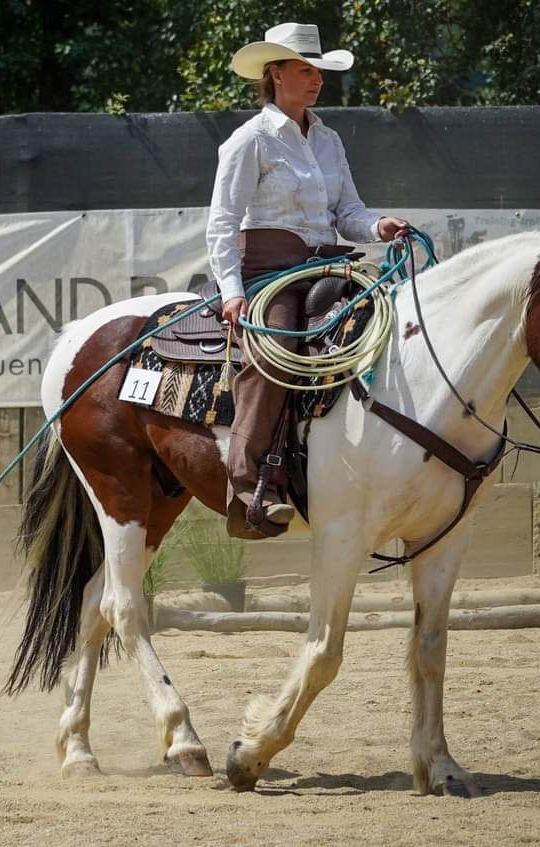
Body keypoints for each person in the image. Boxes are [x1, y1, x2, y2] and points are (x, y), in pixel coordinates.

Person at [206, 22, 409, 539]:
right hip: (269, 272)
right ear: (275, 74)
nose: (316, 78)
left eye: (319, 70)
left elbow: (349, 212)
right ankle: (251, 486)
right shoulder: (248, 140)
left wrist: (378, 226)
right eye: (305, 69)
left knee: (394, 328)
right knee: (270, 352)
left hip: (327, 265)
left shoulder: (328, 139)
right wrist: (232, 292)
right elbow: (223, 223)